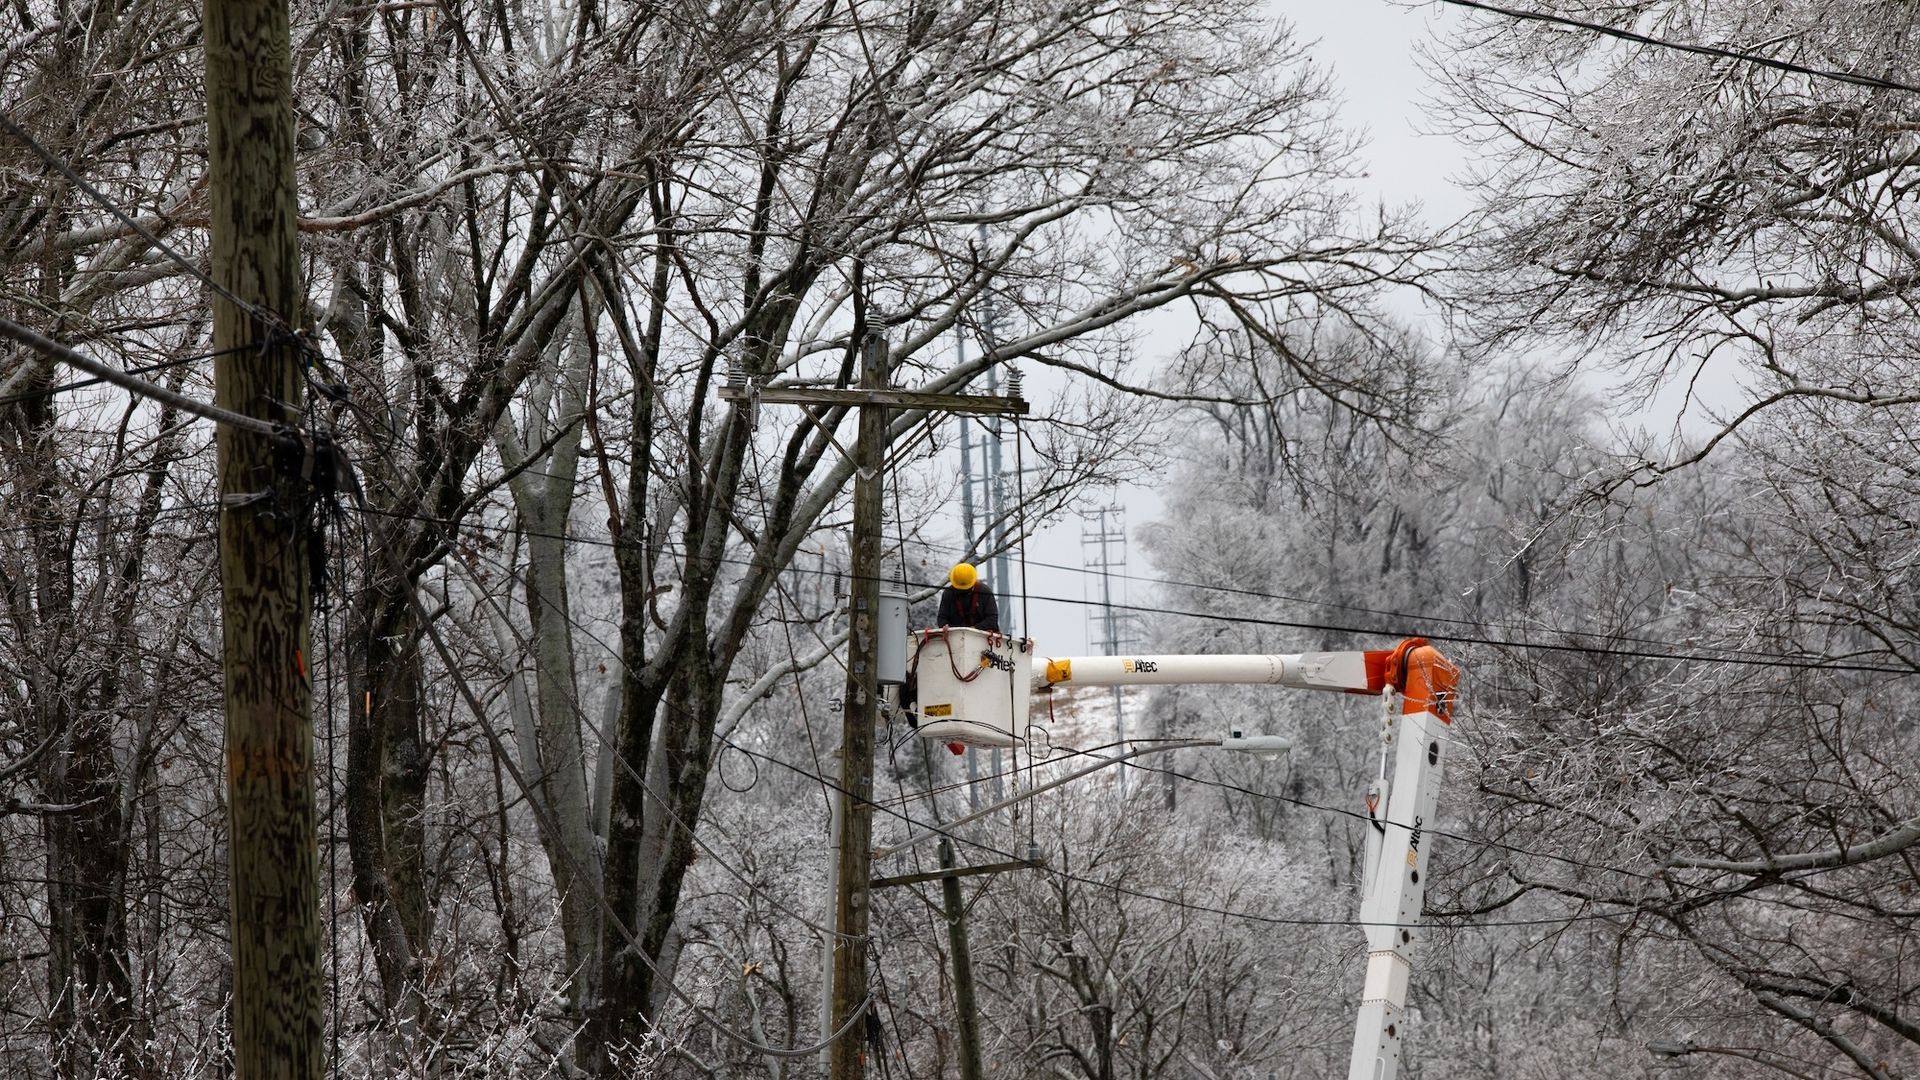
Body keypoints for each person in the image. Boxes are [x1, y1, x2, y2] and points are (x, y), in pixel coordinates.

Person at [937, 562, 1000, 633]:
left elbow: (992, 619)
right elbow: (942, 617)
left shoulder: (984, 592)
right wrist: (945, 626)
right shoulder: (948, 593)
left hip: (983, 637)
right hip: (955, 636)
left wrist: (974, 629)